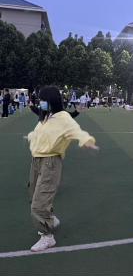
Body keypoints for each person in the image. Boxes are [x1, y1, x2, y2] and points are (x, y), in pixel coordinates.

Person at [25, 86, 99, 252]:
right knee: (34, 194)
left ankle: (47, 236)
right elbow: (38, 133)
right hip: (36, 159)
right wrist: (30, 137)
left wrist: (86, 141)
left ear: (51, 100)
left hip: (50, 161)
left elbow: (74, 130)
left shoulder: (63, 117)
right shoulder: (45, 116)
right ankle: (50, 218)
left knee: (38, 203)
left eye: (43, 100)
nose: (41, 102)